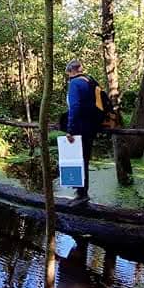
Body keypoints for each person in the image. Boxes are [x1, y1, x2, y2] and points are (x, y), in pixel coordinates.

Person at [65, 59, 100, 204]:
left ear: (71, 71)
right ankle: (81, 193)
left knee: (78, 160)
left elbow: (75, 107)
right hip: (91, 126)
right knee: (84, 159)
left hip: (80, 127)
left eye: (67, 73)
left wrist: (70, 130)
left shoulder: (75, 83)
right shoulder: (90, 81)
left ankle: (82, 194)